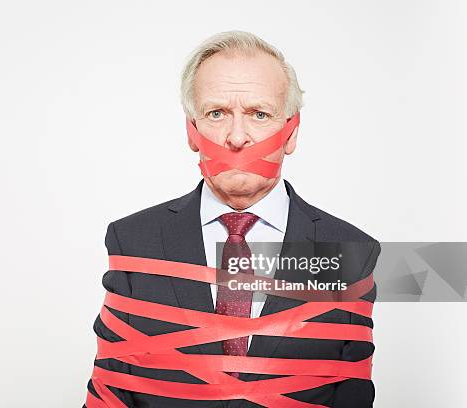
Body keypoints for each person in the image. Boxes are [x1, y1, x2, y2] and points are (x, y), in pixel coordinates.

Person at [84, 30, 379, 408]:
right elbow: (111, 391)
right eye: (217, 113)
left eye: (259, 114)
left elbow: (351, 392)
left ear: (291, 132)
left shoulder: (349, 252)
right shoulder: (133, 241)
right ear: (192, 130)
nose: (237, 138)